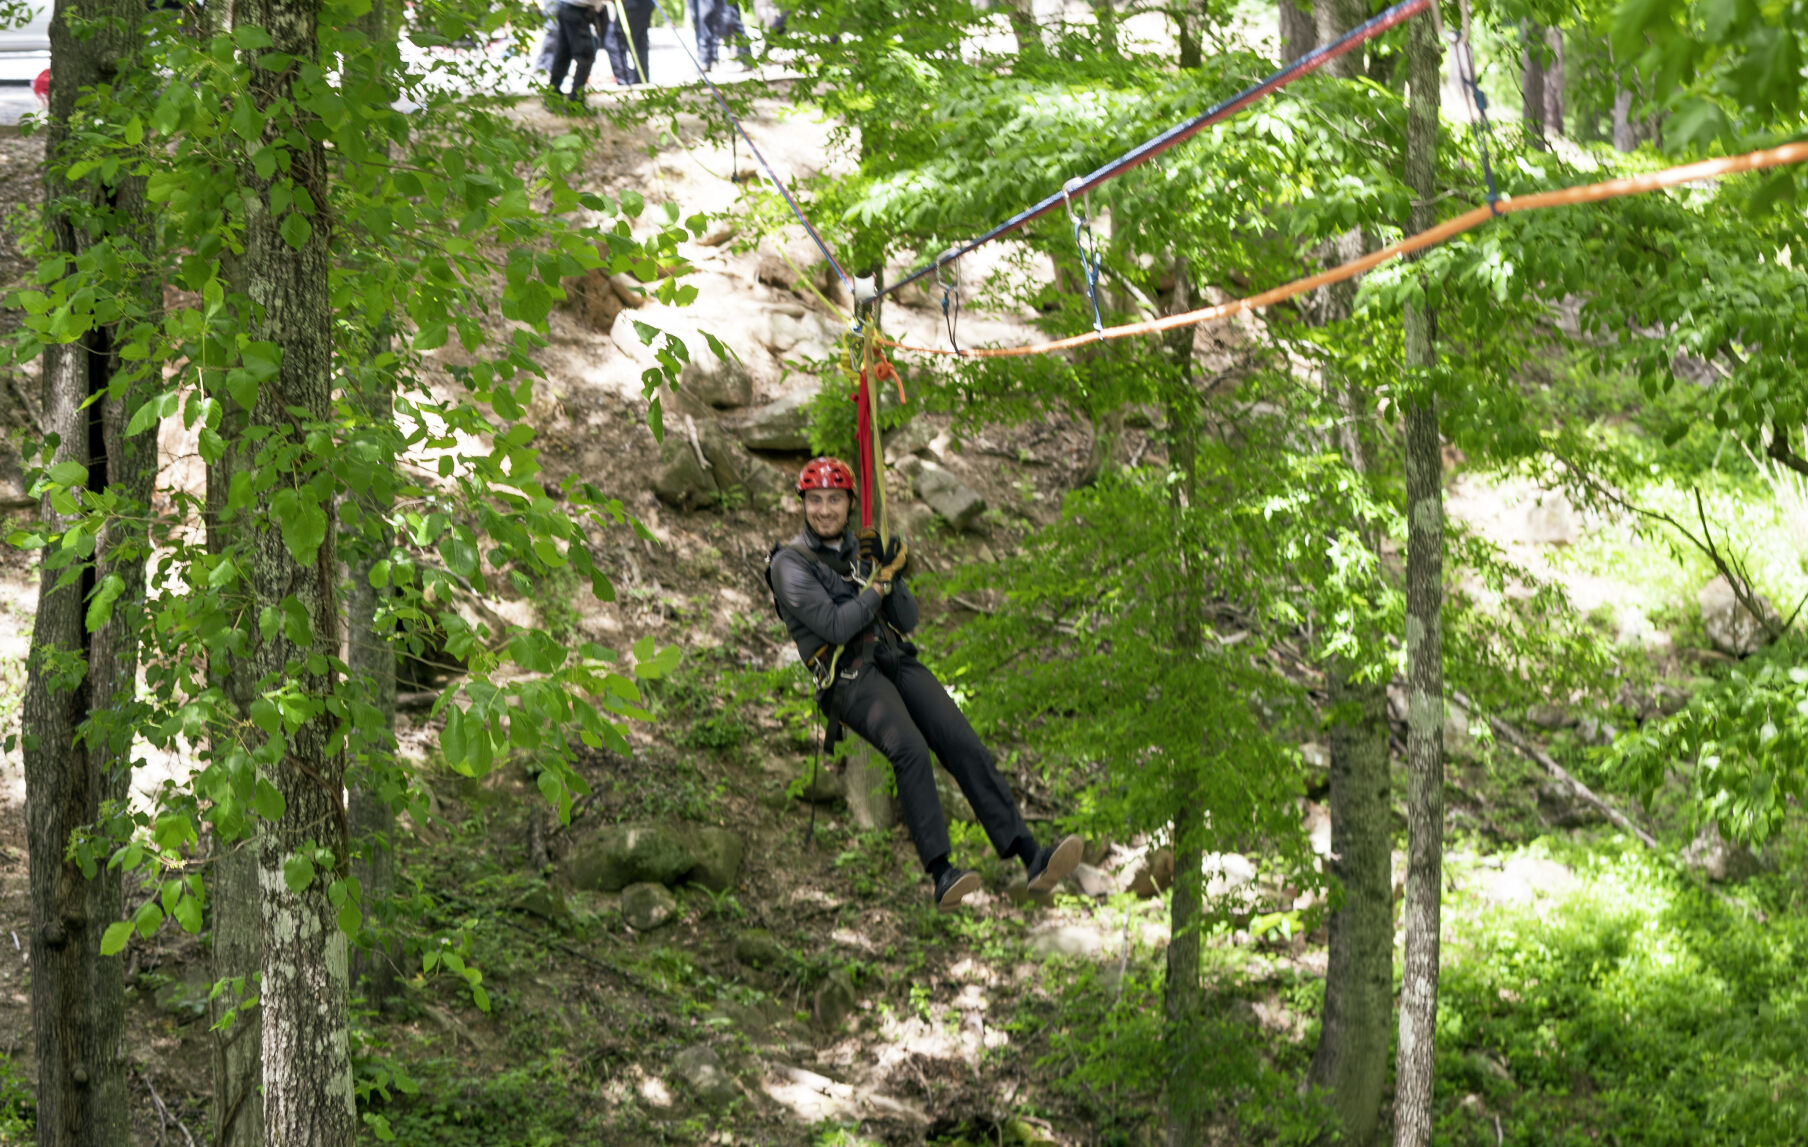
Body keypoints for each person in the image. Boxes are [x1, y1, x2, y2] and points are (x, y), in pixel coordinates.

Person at [769, 457, 1083, 912]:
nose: (824, 510)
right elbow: (837, 626)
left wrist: (893, 574)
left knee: (961, 741)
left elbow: (907, 620)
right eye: (815, 501)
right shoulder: (789, 565)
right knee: (909, 749)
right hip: (849, 676)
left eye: (833, 500)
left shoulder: (863, 550)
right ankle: (941, 872)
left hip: (893, 657)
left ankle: (1031, 856)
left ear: (849, 503)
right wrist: (880, 583)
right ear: (803, 504)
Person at [549, 0, 609, 107]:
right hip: (578, 9)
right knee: (585, 56)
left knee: (564, 54)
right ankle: (575, 102)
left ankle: (553, 97)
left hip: (571, 7)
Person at [605, 0, 655, 85]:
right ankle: (641, 80)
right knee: (639, 41)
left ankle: (625, 80)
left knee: (614, 40)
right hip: (646, 4)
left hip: (632, 4)